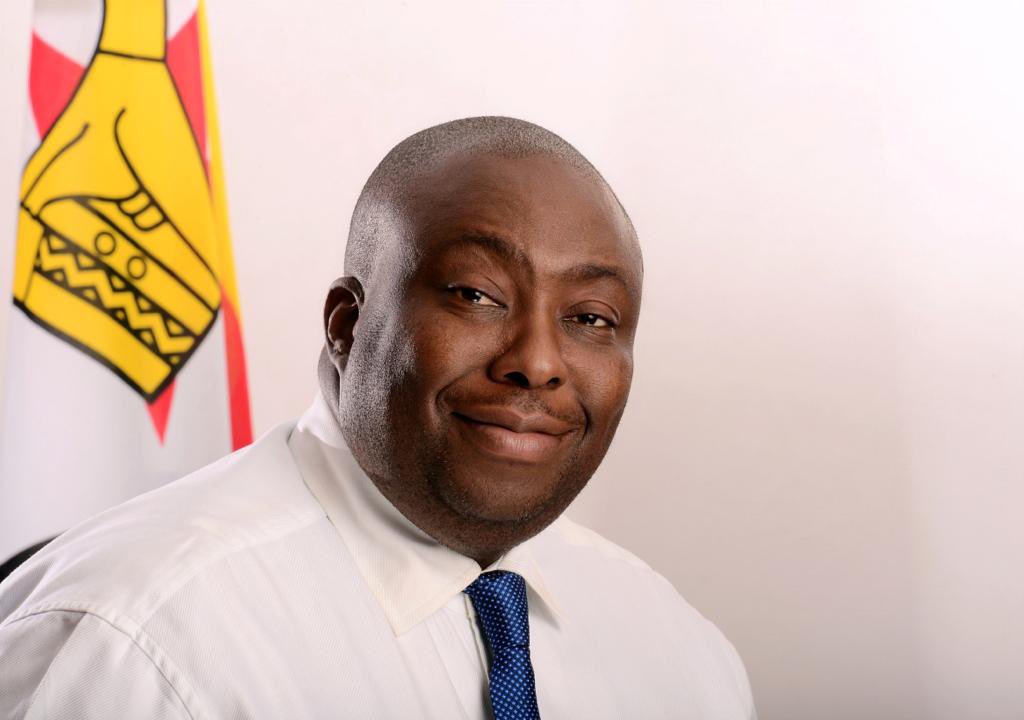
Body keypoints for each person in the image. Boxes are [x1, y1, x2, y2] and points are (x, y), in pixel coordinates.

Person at [0, 117, 756, 719]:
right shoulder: (134, 643)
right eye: (476, 295)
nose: (538, 362)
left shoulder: (682, 654)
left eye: (591, 317)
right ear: (347, 324)